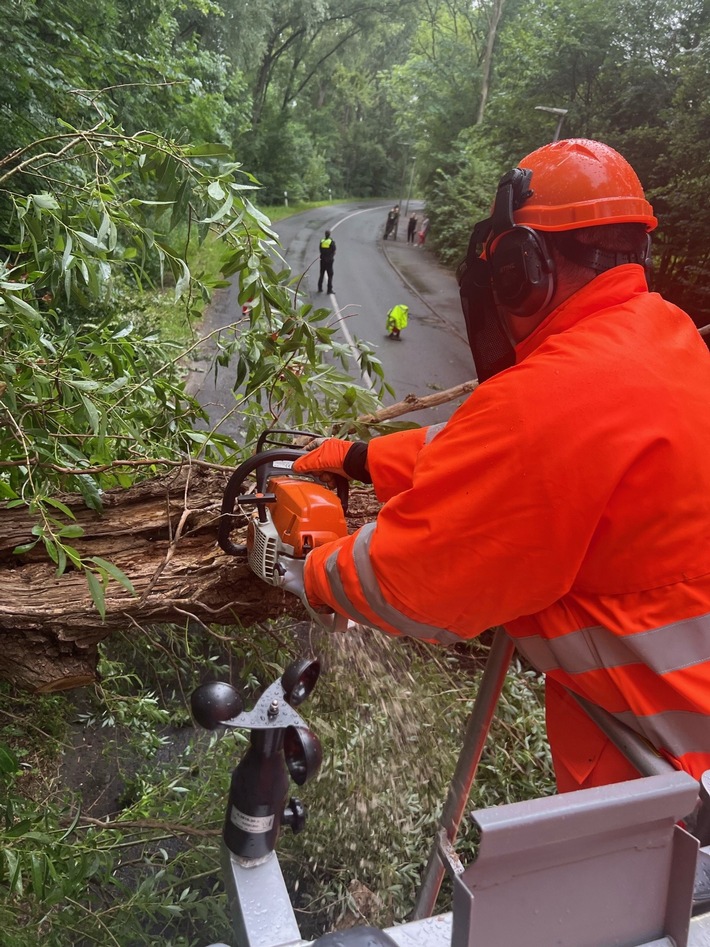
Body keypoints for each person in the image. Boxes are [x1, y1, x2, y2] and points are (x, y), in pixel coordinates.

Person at [281, 138, 710, 795]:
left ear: (521, 267)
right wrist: (365, 457)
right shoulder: (665, 341)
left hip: (674, 797)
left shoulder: (551, 401)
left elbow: (412, 581)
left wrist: (307, 568)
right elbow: (499, 450)